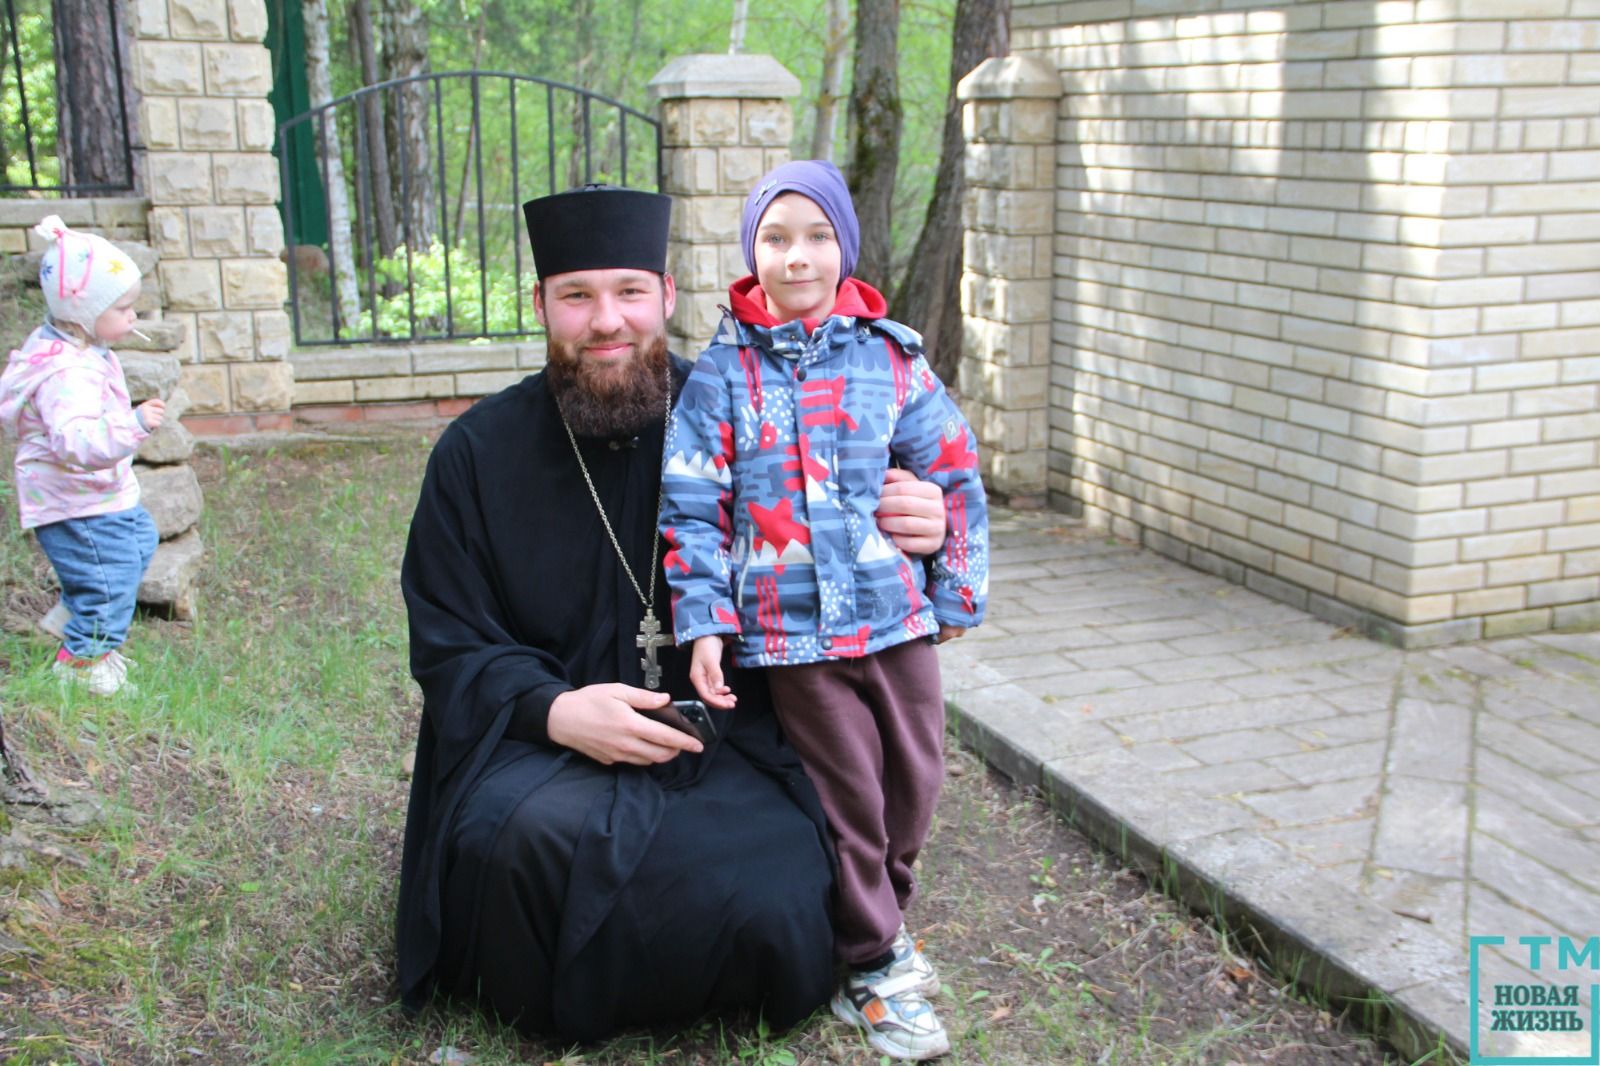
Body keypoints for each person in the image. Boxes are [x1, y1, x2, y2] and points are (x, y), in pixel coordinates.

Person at [396, 185, 950, 1041]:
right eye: (576, 296)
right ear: (540, 305)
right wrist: (556, 709)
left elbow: (852, 494)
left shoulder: (749, 415)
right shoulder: (474, 454)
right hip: (543, 754)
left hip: (731, 737)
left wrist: (927, 518)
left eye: (628, 292)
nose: (606, 321)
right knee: (524, 848)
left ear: (667, 296)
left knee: (786, 868)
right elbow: (447, 634)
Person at [658, 161, 989, 1061]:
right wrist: (704, 623)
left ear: (844, 242)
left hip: (894, 619)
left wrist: (956, 586)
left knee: (914, 784)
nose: (795, 257)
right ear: (749, 251)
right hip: (793, 636)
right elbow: (692, 507)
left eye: (813, 236)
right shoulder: (721, 376)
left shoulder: (891, 357)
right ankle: (871, 959)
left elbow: (953, 471)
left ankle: (885, 917)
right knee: (849, 797)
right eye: (774, 238)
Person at [0, 215, 165, 697]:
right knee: (109, 583)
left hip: (96, 494)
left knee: (139, 541)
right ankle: (84, 664)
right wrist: (131, 425)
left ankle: (73, 611)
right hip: (75, 498)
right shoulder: (66, 374)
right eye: (123, 308)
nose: (133, 317)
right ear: (82, 311)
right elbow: (74, 443)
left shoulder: (79, 345)